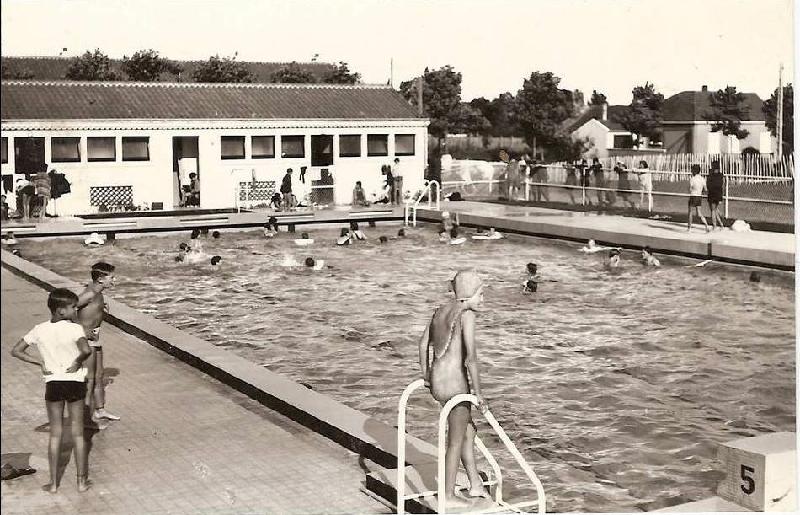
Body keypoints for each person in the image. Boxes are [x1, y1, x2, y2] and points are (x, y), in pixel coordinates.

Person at [418, 270, 488, 508]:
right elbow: (471, 360)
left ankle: (475, 483)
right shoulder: (466, 315)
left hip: (438, 383)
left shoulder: (440, 311)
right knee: (456, 440)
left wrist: (426, 375)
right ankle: (447, 494)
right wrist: (478, 393)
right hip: (456, 386)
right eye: (480, 294)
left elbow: (422, 344)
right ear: (468, 294)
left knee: (469, 430)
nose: (482, 300)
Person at [11, 288, 92, 493]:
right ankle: (81, 482)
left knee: (55, 434)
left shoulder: (39, 329)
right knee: (78, 434)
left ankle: (54, 484)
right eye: (73, 307)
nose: (76, 310)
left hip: (53, 383)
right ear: (60, 311)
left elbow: (16, 351)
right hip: (74, 381)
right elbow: (86, 350)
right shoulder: (75, 329)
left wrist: (39, 362)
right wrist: (77, 362)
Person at [77, 262, 119, 428]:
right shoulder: (88, 294)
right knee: (89, 380)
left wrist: (101, 308)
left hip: (96, 340)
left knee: (99, 377)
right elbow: (68, 310)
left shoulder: (98, 294)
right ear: (101, 279)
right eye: (112, 277)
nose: (114, 280)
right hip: (87, 341)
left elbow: (90, 310)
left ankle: (100, 410)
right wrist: (80, 330)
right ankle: (86, 420)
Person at [687, 164, 709, 233]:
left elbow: (690, 189)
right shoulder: (702, 179)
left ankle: (689, 228)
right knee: (699, 213)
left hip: (693, 196)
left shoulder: (692, 179)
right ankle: (706, 225)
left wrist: (693, 189)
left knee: (690, 212)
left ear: (694, 171)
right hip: (699, 196)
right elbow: (705, 189)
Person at [707, 161, 725, 230]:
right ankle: (721, 224)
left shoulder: (710, 175)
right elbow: (722, 185)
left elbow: (708, 185)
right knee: (715, 210)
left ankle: (714, 226)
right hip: (718, 194)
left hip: (712, 194)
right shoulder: (721, 175)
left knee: (713, 211)